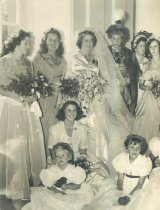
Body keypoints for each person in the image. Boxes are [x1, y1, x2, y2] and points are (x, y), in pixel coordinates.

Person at [66, 28, 132, 176]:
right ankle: (82, 167)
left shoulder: (95, 59)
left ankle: (99, 165)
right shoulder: (75, 58)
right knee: (83, 130)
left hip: (96, 100)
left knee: (99, 130)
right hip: (80, 100)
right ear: (80, 42)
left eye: (91, 41)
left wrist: (100, 88)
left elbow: (103, 79)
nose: (88, 43)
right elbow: (69, 81)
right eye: (86, 41)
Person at [0, 29, 46, 209]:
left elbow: (33, 85)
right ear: (16, 43)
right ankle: (13, 190)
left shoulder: (28, 64)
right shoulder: (3, 62)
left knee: (24, 147)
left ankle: (21, 187)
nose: (29, 47)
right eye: (27, 43)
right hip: (9, 110)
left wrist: (33, 95)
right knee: (13, 148)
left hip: (25, 109)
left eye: (30, 43)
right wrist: (17, 96)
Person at [82, 134, 152, 210]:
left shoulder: (144, 162)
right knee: (111, 200)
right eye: (132, 147)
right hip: (125, 183)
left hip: (138, 188)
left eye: (138, 148)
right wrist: (120, 192)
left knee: (134, 204)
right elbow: (120, 179)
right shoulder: (122, 158)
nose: (135, 150)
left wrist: (129, 196)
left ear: (141, 150)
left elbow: (140, 185)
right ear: (127, 148)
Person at [22, 142, 93, 210]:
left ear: (69, 157)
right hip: (55, 191)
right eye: (57, 156)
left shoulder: (74, 170)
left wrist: (68, 187)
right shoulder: (52, 170)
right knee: (45, 199)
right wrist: (58, 192)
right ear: (54, 158)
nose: (60, 158)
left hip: (72, 191)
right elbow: (49, 186)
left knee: (74, 202)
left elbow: (78, 186)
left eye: (63, 155)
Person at [132, 35, 160, 141]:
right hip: (148, 99)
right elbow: (141, 85)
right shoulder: (146, 65)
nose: (153, 49)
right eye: (150, 47)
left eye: (155, 46)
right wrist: (148, 87)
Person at [33, 28, 67, 156]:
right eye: (50, 40)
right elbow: (32, 80)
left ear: (59, 43)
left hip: (58, 99)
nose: (53, 43)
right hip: (44, 100)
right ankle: (44, 161)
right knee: (44, 130)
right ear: (45, 42)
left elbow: (64, 79)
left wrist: (62, 91)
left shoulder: (62, 60)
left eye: (56, 40)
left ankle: (56, 162)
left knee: (57, 131)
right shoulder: (39, 58)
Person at [106, 21, 140, 114]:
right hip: (109, 89)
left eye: (119, 38)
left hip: (126, 89)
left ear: (123, 39)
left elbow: (137, 72)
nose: (116, 41)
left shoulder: (130, 54)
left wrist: (128, 79)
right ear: (110, 38)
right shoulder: (105, 52)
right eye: (114, 38)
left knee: (124, 114)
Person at [131, 31, 152, 104]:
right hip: (132, 88)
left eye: (144, 46)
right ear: (135, 47)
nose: (143, 48)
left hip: (143, 88)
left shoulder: (148, 61)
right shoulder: (130, 60)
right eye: (141, 46)